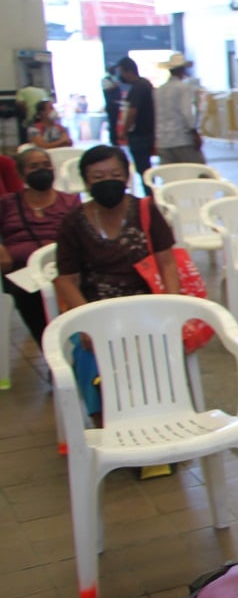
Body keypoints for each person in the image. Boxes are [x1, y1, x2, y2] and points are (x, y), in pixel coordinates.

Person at [54, 145, 180, 477]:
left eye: (115, 175)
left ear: (126, 176)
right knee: (87, 357)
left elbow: (168, 262)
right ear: (85, 182)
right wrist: (87, 321)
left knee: (155, 351)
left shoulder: (145, 211)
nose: (108, 182)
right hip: (98, 313)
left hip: (146, 310)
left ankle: (161, 429)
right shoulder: (74, 222)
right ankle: (111, 434)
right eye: (98, 177)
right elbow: (65, 280)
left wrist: (172, 310)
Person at [0, 146, 82, 344]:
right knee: (32, 303)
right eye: (34, 166)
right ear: (21, 174)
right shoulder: (8, 203)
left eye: (46, 165)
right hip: (22, 275)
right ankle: (49, 347)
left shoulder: (69, 201)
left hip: (62, 269)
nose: (42, 170)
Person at [153, 52, 206, 166]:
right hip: (182, 139)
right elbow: (187, 113)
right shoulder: (183, 88)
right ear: (182, 70)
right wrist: (195, 133)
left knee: (170, 175)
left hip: (163, 141)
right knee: (198, 171)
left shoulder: (159, 90)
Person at [117, 58, 157, 195]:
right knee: (146, 167)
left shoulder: (137, 88)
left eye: (121, 72)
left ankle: (149, 197)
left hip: (139, 134)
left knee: (143, 168)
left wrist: (124, 131)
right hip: (148, 131)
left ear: (127, 71)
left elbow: (132, 111)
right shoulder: (146, 84)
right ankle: (150, 194)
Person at [102, 64, 124, 147]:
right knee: (112, 123)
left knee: (116, 124)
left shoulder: (114, 78)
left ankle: (116, 139)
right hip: (111, 106)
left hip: (117, 104)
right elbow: (107, 89)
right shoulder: (105, 80)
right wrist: (115, 85)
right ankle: (113, 140)